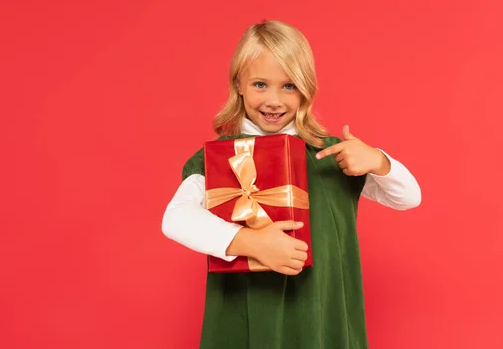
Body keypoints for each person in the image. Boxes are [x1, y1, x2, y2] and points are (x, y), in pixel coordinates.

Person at [161, 20, 421, 349]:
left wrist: (380, 162)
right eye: (260, 84)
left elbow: (408, 198)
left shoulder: (330, 155)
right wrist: (250, 242)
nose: (274, 100)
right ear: (238, 84)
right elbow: (176, 218)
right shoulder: (218, 158)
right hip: (247, 316)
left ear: (306, 89)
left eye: (289, 86)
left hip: (322, 318)